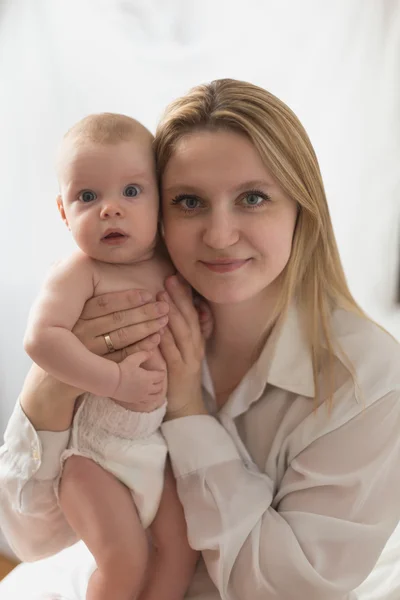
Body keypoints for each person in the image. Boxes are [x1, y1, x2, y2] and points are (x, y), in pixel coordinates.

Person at [1, 78, 400, 600]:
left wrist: (188, 411)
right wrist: (50, 392)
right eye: (189, 202)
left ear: (303, 209)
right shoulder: (117, 315)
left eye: (253, 198)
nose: (218, 234)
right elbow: (27, 539)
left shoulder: (368, 379)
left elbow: (286, 589)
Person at [20, 112, 199, 600]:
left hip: (153, 449)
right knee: (125, 559)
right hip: (91, 459)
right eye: (88, 196)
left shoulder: (170, 261)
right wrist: (114, 381)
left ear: (161, 200)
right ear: (63, 212)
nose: (110, 210)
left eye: (132, 192)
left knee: (182, 550)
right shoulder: (80, 271)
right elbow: (42, 339)